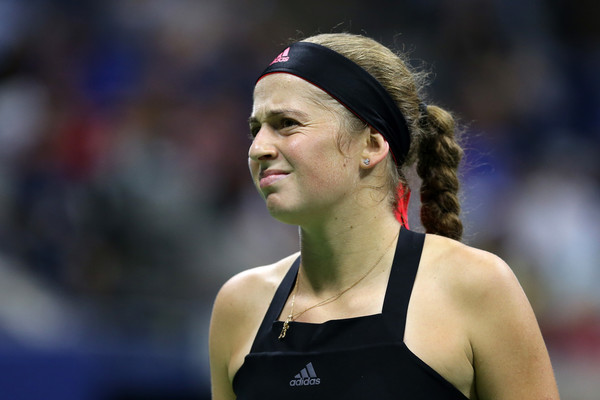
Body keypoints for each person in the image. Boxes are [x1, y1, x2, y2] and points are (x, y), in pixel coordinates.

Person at [209, 33, 559, 400]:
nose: (258, 148)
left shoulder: (476, 286)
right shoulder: (239, 304)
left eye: (287, 123)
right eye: (255, 128)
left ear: (372, 145)